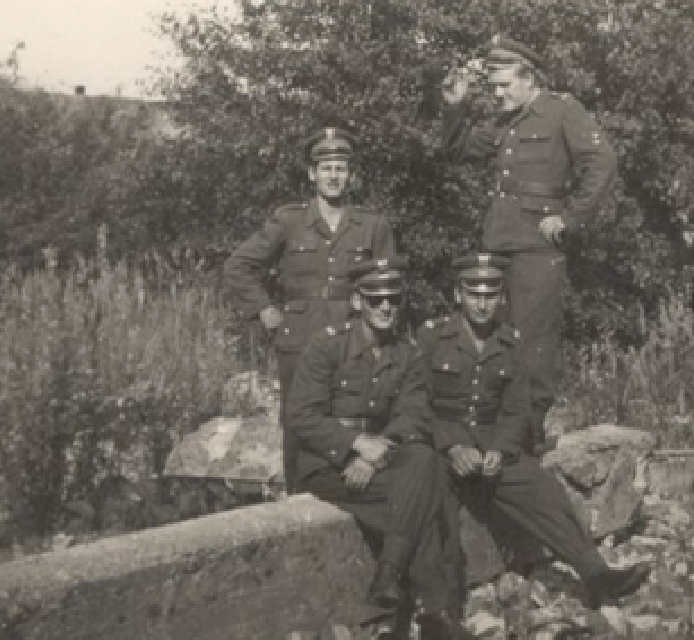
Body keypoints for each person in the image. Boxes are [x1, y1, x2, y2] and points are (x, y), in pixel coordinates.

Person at [417, 253, 652, 610]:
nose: (482, 304)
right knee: (436, 509)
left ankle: (597, 576)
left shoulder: (510, 343)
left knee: (544, 489)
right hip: (440, 448)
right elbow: (416, 404)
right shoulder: (432, 338)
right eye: (473, 294)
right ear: (457, 295)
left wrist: (501, 449)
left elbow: (516, 409)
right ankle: (442, 609)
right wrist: (452, 447)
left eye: (490, 295)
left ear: (501, 298)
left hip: (491, 449)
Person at [439, 35, 619, 455]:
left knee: (533, 344)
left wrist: (571, 218)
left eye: (504, 86)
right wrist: (454, 105)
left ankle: (529, 439)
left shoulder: (561, 110)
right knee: (494, 339)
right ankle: (496, 434)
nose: (497, 95)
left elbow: (602, 162)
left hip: (538, 249)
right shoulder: (504, 120)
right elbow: (457, 150)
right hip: (498, 245)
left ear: (529, 78)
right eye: (493, 87)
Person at [286, 256, 472, 639]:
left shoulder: (405, 352)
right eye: (375, 299)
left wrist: (375, 454)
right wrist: (354, 444)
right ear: (357, 302)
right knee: (429, 487)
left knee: (422, 456)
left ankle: (390, 575)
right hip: (328, 464)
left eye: (393, 298)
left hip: (377, 462)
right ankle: (435, 612)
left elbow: (413, 414)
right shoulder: (326, 346)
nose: (386, 307)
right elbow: (302, 417)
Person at [223, 125, 395, 491]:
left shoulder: (372, 226)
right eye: (326, 168)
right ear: (312, 174)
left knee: (353, 416)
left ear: (352, 176)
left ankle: (351, 499)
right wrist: (265, 310)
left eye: (341, 168)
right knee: (300, 422)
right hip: (300, 341)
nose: (334, 176)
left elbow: (390, 286)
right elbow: (239, 265)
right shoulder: (289, 221)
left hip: (353, 340)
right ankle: (299, 501)